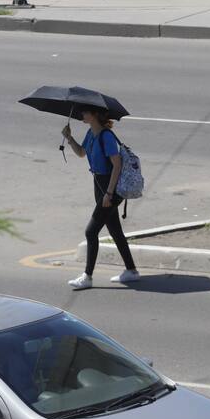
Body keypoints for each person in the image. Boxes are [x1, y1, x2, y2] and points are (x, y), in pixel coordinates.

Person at [61, 108, 138, 290]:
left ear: (95, 115)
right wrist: (69, 138)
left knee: (91, 232)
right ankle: (132, 271)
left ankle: (87, 276)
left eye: (85, 112)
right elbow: (81, 152)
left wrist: (109, 194)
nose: (82, 114)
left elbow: (117, 165)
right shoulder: (91, 133)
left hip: (110, 187)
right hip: (99, 184)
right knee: (115, 230)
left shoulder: (106, 136)